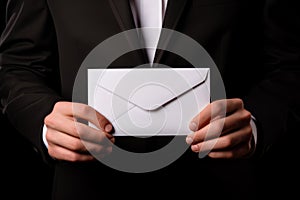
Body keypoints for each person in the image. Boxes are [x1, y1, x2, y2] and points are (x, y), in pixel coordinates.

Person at [0, 0, 299, 199]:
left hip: (217, 184)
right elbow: (17, 65)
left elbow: (289, 66)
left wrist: (256, 123)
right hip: (90, 185)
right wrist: (45, 121)